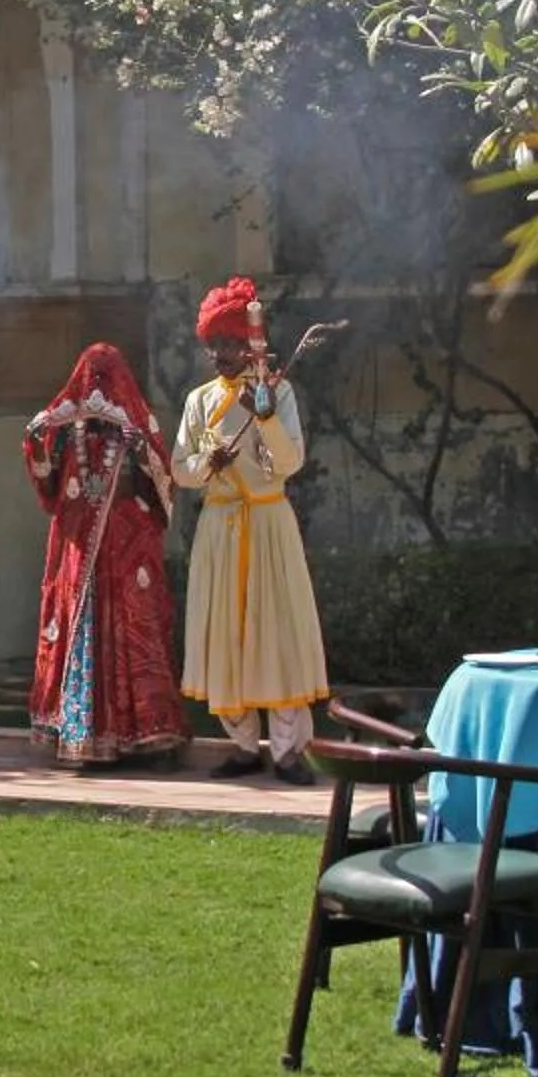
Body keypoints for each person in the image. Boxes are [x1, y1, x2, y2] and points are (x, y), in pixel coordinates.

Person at [174, 277, 334, 781]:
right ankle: (243, 744)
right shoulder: (199, 401)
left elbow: (289, 462)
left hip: (268, 524)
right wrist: (208, 462)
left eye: (230, 343)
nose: (221, 353)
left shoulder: (276, 391)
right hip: (219, 528)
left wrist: (262, 417)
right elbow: (180, 468)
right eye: (215, 345)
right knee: (223, 634)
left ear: (250, 345)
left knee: (277, 634)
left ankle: (288, 751)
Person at [22, 344, 187, 766]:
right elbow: (47, 484)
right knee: (80, 636)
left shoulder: (137, 427)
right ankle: (81, 734)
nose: (97, 386)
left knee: (135, 633)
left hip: (127, 555)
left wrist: (137, 450)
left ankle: (148, 738)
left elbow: (165, 490)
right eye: (91, 375)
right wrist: (38, 442)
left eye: (105, 376)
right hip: (78, 555)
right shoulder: (66, 430)